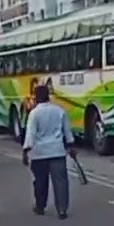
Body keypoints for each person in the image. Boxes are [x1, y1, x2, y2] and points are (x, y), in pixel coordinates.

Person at [22, 84, 76, 219]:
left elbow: (30, 135)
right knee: (61, 182)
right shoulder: (59, 110)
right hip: (57, 151)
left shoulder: (34, 114)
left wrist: (25, 151)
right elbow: (67, 132)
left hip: (40, 153)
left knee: (40, 181)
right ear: (48, 96)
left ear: (36, 97)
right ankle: (62, 210)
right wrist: (71, 146)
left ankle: (40, 206)